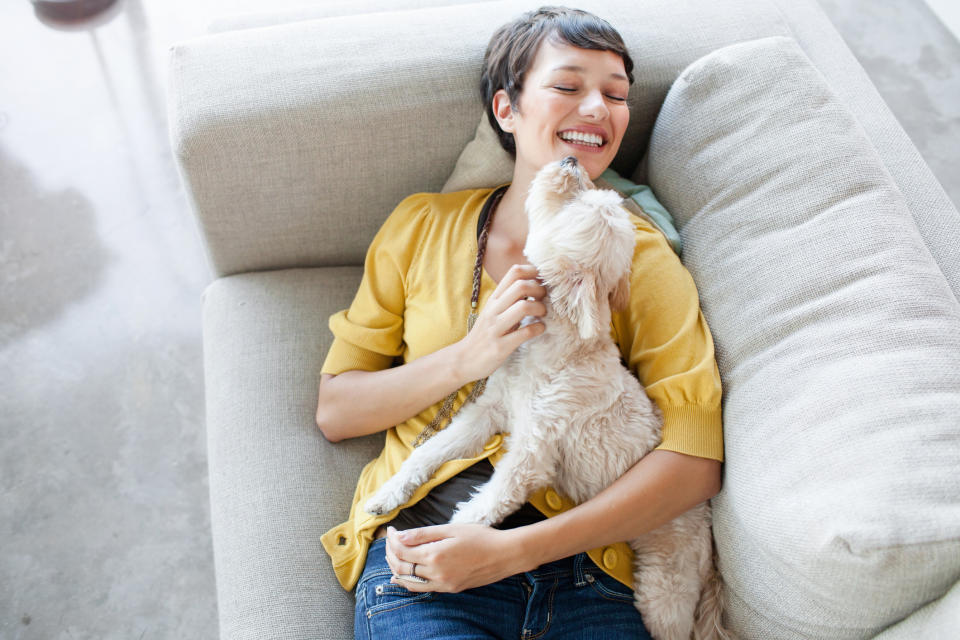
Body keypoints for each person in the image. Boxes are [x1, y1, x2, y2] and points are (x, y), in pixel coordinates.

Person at [315, 6, 724, 639]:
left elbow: (695, 459)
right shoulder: (421, 225)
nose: (599, 108)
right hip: (428, 564)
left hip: (590, 576)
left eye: (617, 96)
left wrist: (516, 550)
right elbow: (338, 412)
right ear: (507, 110)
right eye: (568, 86)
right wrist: (469, 357)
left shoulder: (634, 256)